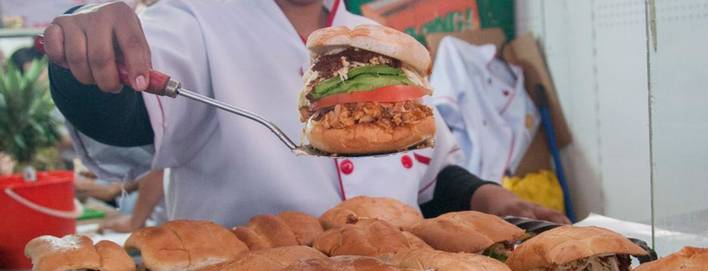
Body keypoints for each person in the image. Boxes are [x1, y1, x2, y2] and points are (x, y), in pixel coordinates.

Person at [44, 0, 568, 226]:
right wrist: (86, 49)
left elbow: (431, 175)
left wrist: (494, 199)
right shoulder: (193, 21)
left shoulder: (381, 40)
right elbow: (123, 119)